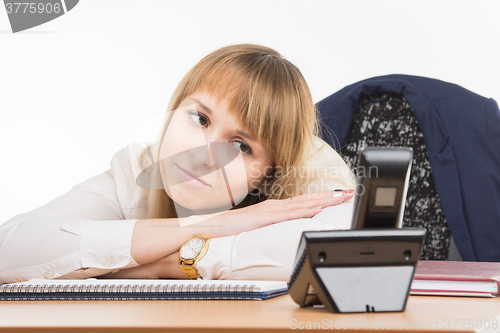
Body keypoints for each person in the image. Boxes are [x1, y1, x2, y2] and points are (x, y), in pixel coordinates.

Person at [0, 44, 356, 284]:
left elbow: (340, 256)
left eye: (240, 145)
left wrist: (159, 265)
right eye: (199, 119)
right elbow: (10, 248)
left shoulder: (312, 170)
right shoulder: (137, 169)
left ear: (269, 174)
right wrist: (216, 224)